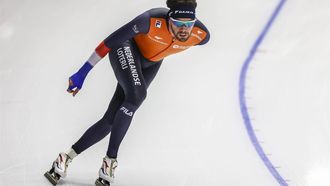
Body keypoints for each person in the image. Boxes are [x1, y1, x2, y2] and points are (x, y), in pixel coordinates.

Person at [44, 0, 210, 185]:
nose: (184, 29)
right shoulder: (149, 20)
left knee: (111, 120)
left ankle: (66, 157)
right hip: (126, 47)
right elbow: (109, 42)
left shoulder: (201, 35)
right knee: (137, 95)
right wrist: (82, 73)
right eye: (179, 23)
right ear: (168, 19)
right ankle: (110, 161)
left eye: (189, 24)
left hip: (150, 65)